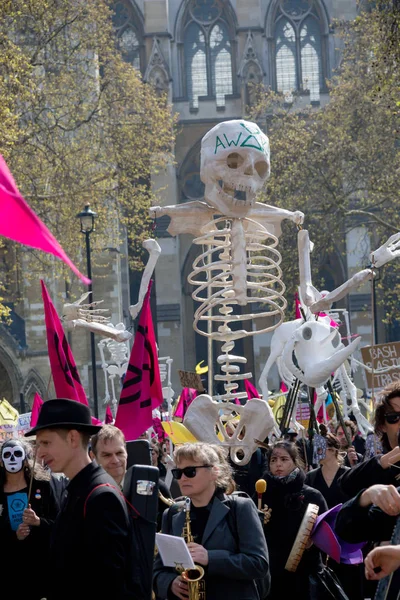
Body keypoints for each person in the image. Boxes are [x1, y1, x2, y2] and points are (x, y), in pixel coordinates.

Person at [25, 398, 137, 600]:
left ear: (73, 438)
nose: (40, 452)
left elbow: (109, 585)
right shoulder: (79, 489)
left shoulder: (100, 496)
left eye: (46, 443)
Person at [153, 441, 270, 600]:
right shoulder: (172, 513)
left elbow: (259, 564)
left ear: (214, 472)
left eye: (190, 471)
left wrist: (210, 558)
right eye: (178, 473)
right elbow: (158, 570)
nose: (182, 479)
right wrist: (170, 583)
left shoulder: (241, 507)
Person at [259, 440, 328, 600]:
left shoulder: (312, 495)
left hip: (303, 571)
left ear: (295, 462)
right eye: (273, 460)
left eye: (284, 459)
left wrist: (313, 541)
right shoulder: (261, 493)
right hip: (270, 572)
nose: (278, 464)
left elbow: (327, 532)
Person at [0, 437, 60, 600]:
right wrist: (14, 536)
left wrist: (38, 521)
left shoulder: (43, 486)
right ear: (1, 461)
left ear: (26, 459)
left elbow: (60, 524)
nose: (12, 459)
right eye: (7, 455)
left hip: (40, 569)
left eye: (17, 454)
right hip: (10, 572)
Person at [305, 433, 363, 600]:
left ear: (331, 450)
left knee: (349, 585)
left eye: (319, 447)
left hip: (346, 537)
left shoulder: (349, 475)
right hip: (321, 540)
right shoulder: (311, 477)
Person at [337, 381, 400, 498]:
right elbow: (345, 485)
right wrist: (382, 462)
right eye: (394, 417)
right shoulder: (381, 467)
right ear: (382, 426)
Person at [90, 423, 128, 489]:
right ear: (93, 457)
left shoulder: (143, 482)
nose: (115, 460)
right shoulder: (87, 491)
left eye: (119, 453)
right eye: (107, 455)